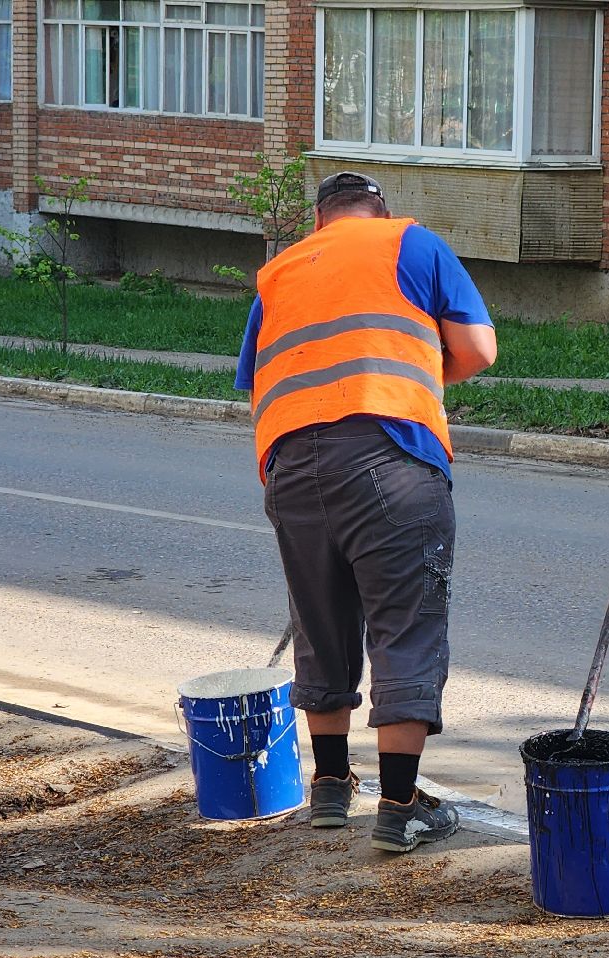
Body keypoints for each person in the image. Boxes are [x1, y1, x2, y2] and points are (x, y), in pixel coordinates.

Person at [235, 171, 497, 852]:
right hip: (388, 457)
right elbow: (478, 349)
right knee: (405, 628)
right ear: (380, 211)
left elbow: (259, 379)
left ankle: (328, 789)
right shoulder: (409, 242)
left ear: (317, 221)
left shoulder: (279, 272)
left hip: (290, 468)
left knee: (319, 626)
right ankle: (401, 804)